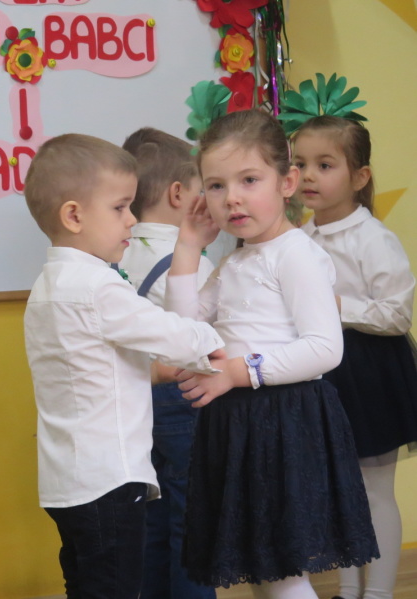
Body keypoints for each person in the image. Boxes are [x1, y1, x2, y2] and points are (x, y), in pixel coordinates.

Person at [165, 109, 379, 598]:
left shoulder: (295, 253)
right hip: (237, 423)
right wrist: (188, 247)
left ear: (287, 183)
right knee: (265, 570)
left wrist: (237, 372)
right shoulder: (235, 262)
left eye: (249, 179)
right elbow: (181, 334)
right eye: (215, 185)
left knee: (283, 574)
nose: (231, 198)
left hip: (283, 421)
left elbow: (325, 348)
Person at [22, 133, 225, 599]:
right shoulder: (98, 285)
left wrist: (158, 371)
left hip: (65, 482)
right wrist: (222, 344)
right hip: (108, 479)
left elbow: (88, 367)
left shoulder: (46, 287)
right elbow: (174, 333)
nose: (132, 219)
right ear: (74, 216)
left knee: (88, 587)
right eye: (120, 208)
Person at [293, 115, 417, 599]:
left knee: (373, 490)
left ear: (359, 176)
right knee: (335, 487)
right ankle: (348, 589)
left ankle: (378, 593)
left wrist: (335, 306)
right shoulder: (300, 237)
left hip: (369, 371)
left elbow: (397, 315)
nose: (308, 175)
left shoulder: (373, 238)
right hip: (320, 370)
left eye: (324, 165)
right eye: (300, 163)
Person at [118, 128, 216, 599]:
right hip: (183, 400)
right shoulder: (191, 261)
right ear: (179, 194)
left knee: (152, 520)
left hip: (139, 400)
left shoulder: (118, 255)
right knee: (194, 524)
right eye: (204, 189)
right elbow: (213, 335)